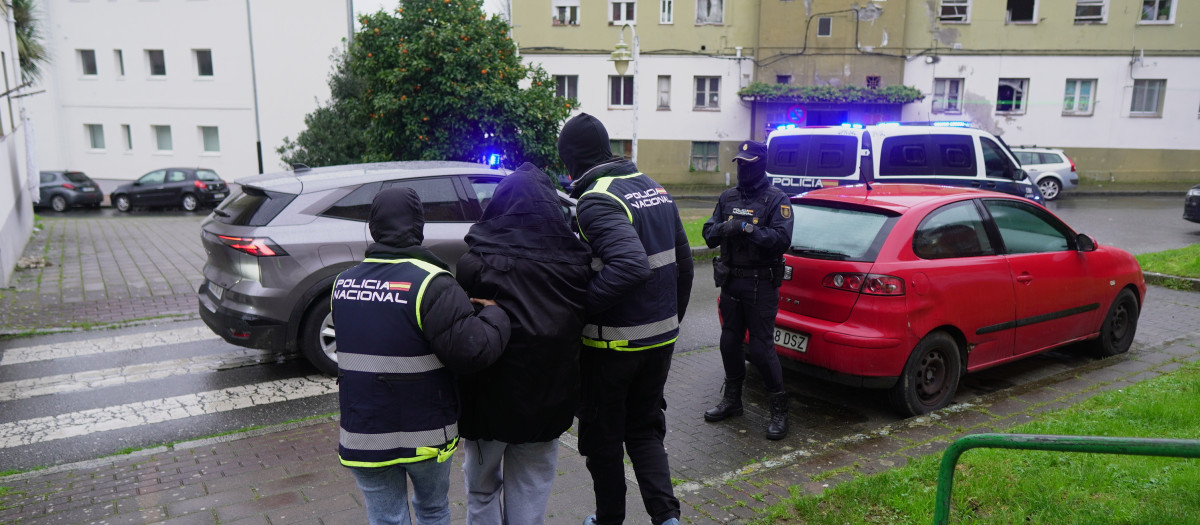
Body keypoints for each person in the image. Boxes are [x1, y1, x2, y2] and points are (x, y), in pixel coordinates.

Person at [332, 187, 511, 525]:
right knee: (432, 510)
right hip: (424, 435)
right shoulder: (432, 282)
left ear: (373, 227)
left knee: (386, 518)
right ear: (418, 226)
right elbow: (472, 353)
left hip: (364, 433)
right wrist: (495, 316)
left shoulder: (342, 283)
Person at [558, 112, 694, 525]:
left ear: (571, 159)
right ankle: (667, 519)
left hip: (611, 349)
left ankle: (609, 520)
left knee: (602, 441)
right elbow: (684, 265)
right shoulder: (652, 187)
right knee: (645, 430)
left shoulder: (597, 200)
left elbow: (631, 266)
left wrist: (576, 310)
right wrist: (670, 323)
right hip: (658, 343)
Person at [455, 163, 592, 525]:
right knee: (531, 489)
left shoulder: (475, 261)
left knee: (482, 492)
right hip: (549, 401)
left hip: (488, 403)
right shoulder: (578, 264)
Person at [701, 139, 795, 440]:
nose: (742, 168)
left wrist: (748, 228)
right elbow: (708, 233)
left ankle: (779, 409)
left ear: (760, 165)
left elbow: (781, 240)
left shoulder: (776, 200)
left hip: (761, 285)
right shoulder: (728, 197)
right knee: (729, 343)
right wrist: (725, 228)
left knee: (760, 349)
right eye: (739, 163)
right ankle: (732, 401)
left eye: (748, 163)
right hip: (731, 282)